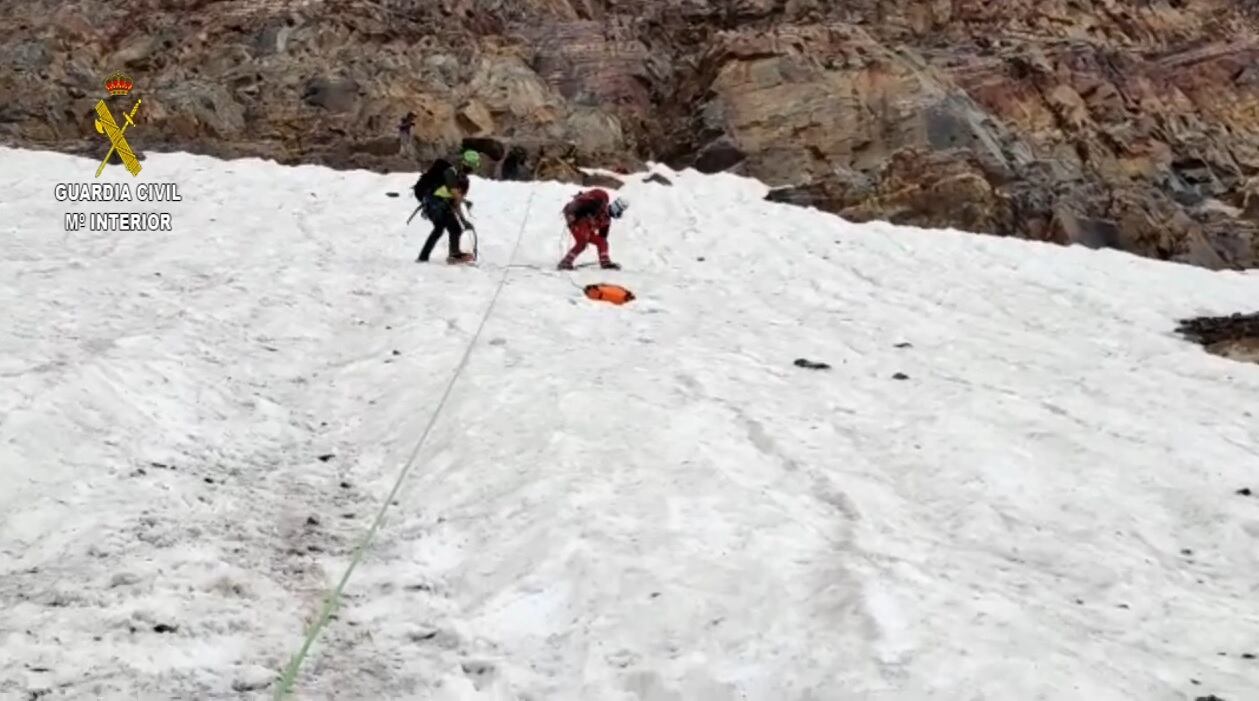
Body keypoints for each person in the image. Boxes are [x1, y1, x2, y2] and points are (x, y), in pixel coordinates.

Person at [414, 150, 480, 264]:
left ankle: (426, 257)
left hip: (439, 204)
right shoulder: (451, 172)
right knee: (449, 228)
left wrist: (463, 220)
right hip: (434, 202)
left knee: (447, 229)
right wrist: (463, 219)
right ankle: (451, 255)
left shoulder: (462, 179)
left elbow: (456, 202)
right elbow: (455, 194)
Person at [558, 189, 628, 270]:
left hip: (586, 229)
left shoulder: (607, 221)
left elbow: (603, 238)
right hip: (578, 221)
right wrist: (573, 213)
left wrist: (602, 251)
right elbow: (584, 203)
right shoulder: (600, 204)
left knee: (602, 241)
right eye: (619, 211)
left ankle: (605, 262)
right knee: (582, 243)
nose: (619, 214)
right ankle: (565, 263)